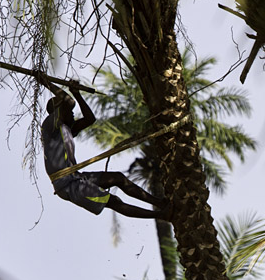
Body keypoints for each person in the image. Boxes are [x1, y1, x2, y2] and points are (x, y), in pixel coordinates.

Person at [38, 76, 169, 220]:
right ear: (58, 113)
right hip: (67, 185)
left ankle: (160, 203)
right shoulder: (50, 127)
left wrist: (77, 94)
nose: (73, 114)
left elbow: (90, 119)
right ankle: (161, 215)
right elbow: (69, 103)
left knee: (118, 178)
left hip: (75, 177)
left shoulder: (66, 128)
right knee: (113, 201)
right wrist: (45, 82)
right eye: (68, 112)